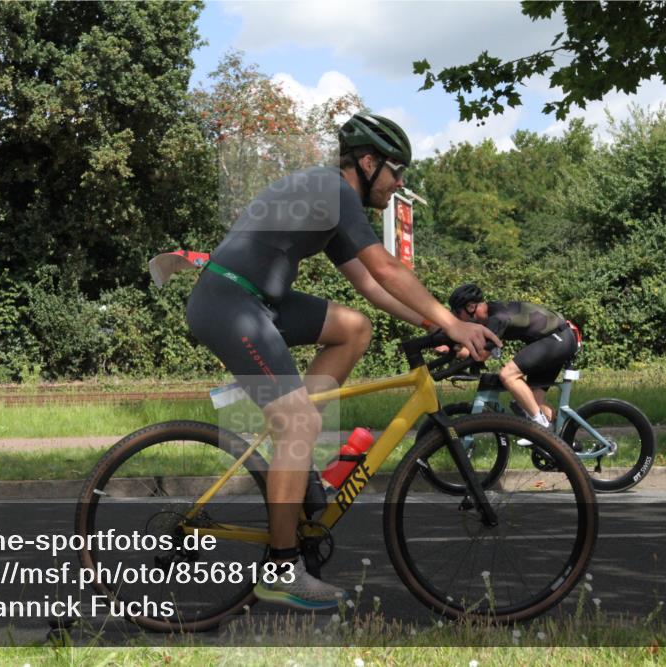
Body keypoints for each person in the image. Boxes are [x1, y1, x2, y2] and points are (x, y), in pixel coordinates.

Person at [185, 113, 501, 610]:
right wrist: (456, 323)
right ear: (368, 162)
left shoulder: (330, 199)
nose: (400, 183)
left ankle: (299, 462)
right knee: (298, 422)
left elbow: (372, 287)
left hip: (255, 300)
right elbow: (387, 267)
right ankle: (281, 567)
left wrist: (435, 326)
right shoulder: (334, 192)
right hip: (232, 305)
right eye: (396, 171)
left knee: (353, 328)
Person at [447, 284, 579, 440]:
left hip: (558, 338)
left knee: (508, 375)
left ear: (470, 307)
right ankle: (563, 441)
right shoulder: (491, 313)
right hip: (556, 338)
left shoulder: (496, 318)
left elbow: (481, 355)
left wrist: (455, 350)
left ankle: (540, 430)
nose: (456, 318)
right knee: (532, 402)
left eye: (457, 313)